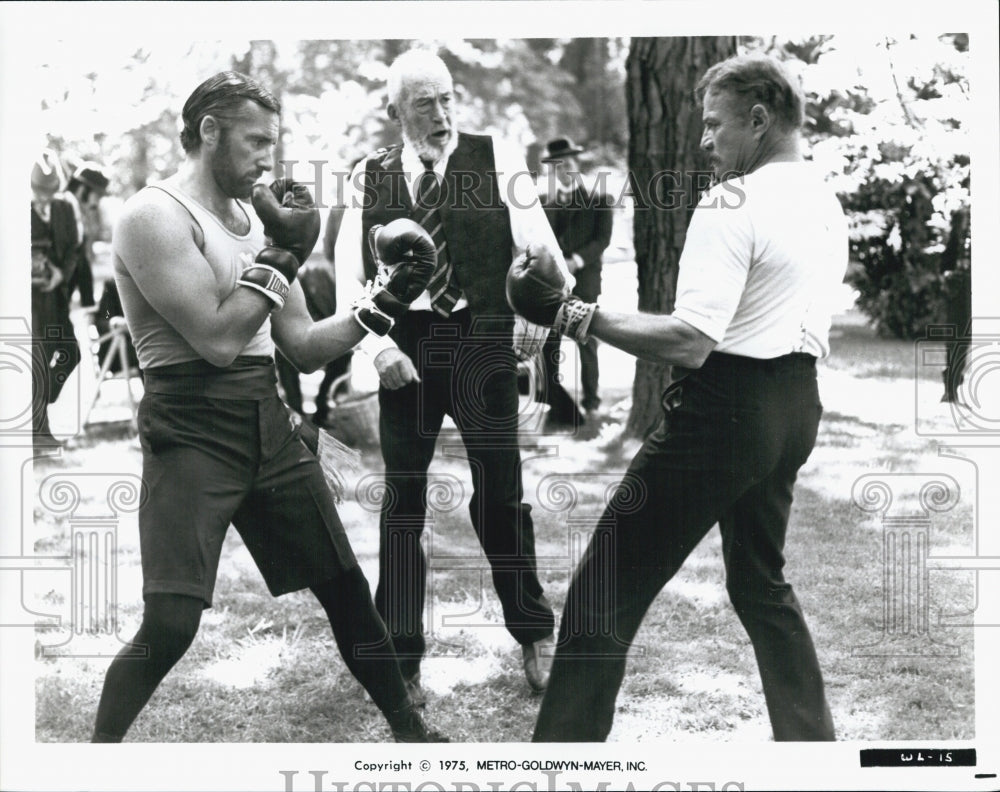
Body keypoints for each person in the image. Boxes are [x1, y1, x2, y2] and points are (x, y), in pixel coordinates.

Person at [93, 71, 446, 743]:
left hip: (268, 417)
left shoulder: (254, 222)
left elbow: (307, 347)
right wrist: (284, 254)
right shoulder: (151, 216)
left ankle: (411, 734)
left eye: (273, 144)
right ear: (208, 131)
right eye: (255, 142)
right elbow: (219, 338)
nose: (268, 160)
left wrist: (386, 302)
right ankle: (94, 760)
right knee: (170, 621)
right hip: (190, 429)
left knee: (345, 589)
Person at [508, 53, 845, 742]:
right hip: (795, 407)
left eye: (715, 125)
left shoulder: (731, 202)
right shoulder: (822, 195)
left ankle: (559, 763)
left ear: (759, 119)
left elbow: (691, 340)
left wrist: (569, 312)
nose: (704, 141)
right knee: (760, 585)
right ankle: (813, 750)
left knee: (604, 588)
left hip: (725, 414)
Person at [335, 49, 569, 699]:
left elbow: (545, 255)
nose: (441, 114)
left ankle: (534, 633)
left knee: (500, 497)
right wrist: (378, 352)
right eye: (423, 104)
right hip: (404, 345)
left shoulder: (497, 160)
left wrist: (539, 320)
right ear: (395, 112)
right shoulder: (368, 178)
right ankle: (401, 654)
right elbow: (346, 286)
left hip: (483, 340)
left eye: (447, 99)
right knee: (402, 503)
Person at [537, 137, 614, 431]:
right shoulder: (544, 202)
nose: (564, 167)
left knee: (587, 341)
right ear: (553, 169)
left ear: (576, 163)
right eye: (558, 164)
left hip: (585, 280)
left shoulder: (598, 198)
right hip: (553, 283)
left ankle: (591, 405)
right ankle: (555, 408)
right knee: (549, 343)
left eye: (568, 162)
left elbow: (602, 239)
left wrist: (577, 261)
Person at [30, 150, 80, 447]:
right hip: (28, 301)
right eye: (39, 192)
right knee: (35, 360)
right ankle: (39, 434)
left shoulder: (64, 209)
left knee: (70, 353)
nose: (44, 198)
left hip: (56, 297)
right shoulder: (15, 208)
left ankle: (31, 400)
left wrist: (61, 274)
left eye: (49, 192)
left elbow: (73, 248)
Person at [63, 160, 111, 309]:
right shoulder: (61, 210)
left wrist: (88, 302)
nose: (96, 204)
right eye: (97, 196)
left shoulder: (76, 214)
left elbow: (81, 260)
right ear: (83, 189)